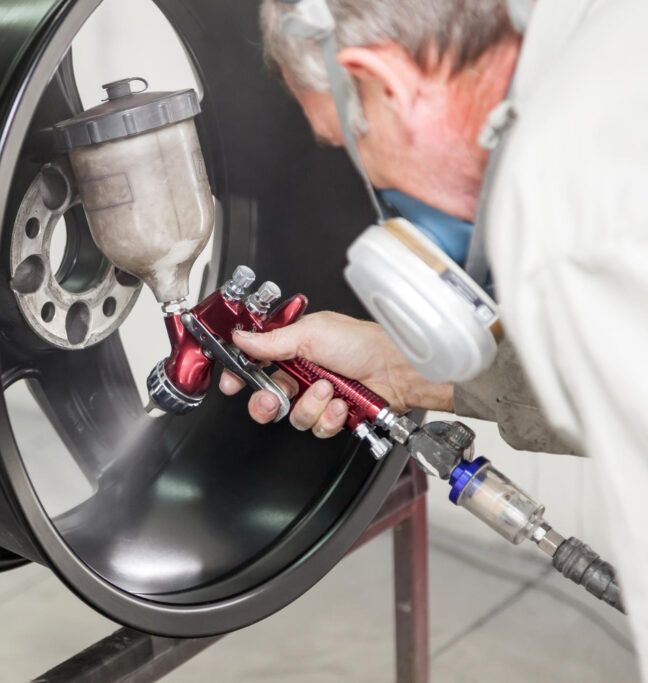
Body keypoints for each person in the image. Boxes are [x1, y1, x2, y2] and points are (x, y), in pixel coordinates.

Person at [224, 0, 648, 674]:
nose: (378, 190)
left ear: (386, 80)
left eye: (353, 151)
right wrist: (397, 369)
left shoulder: (567, 214)